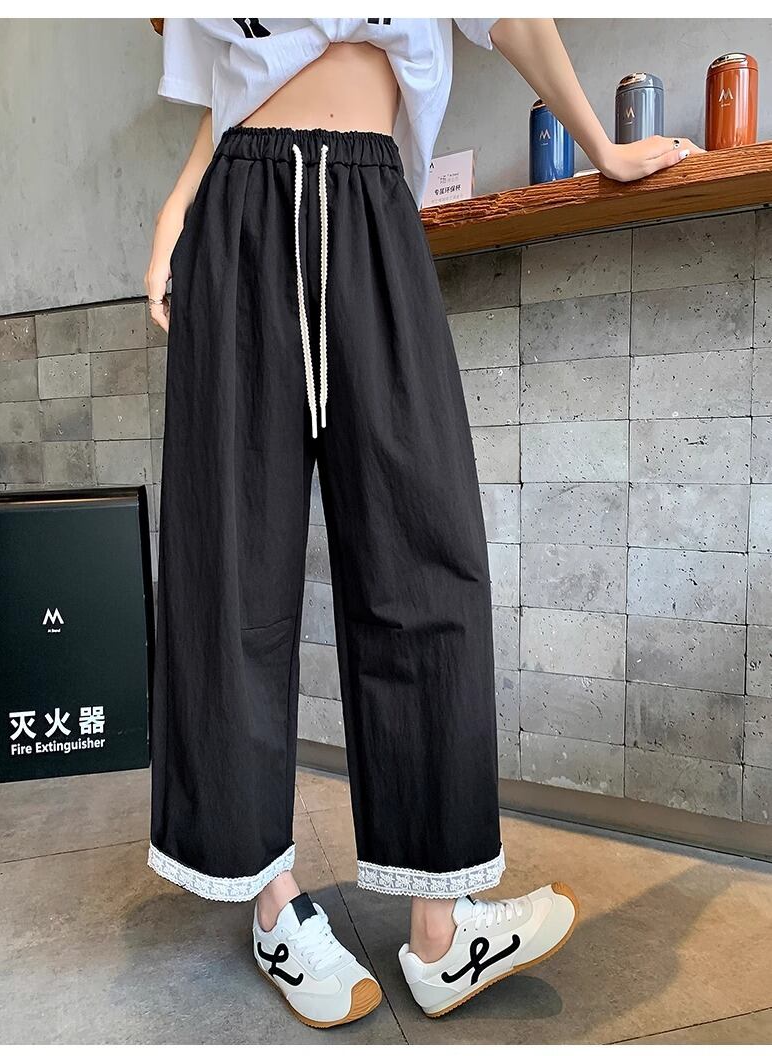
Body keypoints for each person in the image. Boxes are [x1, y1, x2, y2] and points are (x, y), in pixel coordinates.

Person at [145, 18, 702, 1028]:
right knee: (229, 564)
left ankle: (440, 936)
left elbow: (512, 14)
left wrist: (602, 145)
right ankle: (271, 903)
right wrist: (178, 205)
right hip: (236, 211)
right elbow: (234, 75)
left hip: (372, 204)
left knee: (427, 556)